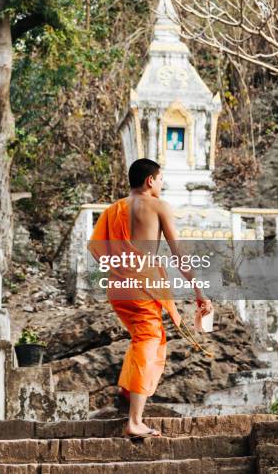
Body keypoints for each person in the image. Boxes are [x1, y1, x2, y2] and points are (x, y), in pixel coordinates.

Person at [88, 158, 212, 438]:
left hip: (119, 287)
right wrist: (199, 292)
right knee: (149, 339)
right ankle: (134, 420)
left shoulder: (112, 210)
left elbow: (96, 250)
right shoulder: (157, 206)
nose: (162, 183)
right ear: (150, 181)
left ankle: (128, 386)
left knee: (141, 337)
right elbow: (178, 254)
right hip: (143, 284)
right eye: (161, 178)